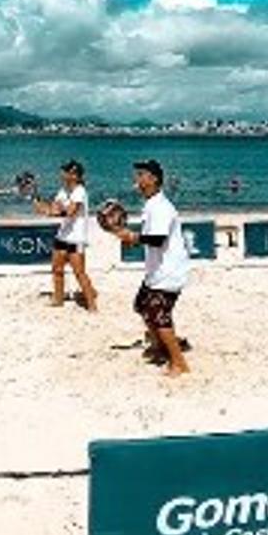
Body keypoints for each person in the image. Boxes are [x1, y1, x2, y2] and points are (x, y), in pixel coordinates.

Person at [103, 159, 191, 377]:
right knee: (142, 306)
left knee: (159, 316)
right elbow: (152, 237)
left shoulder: (161, 207)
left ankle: (179, 363)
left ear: (153, 179)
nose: (137, 180)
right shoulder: (152, 204)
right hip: (157, 271)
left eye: (141, 175)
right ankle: (161, 349)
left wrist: (133, 236)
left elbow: (158, 239)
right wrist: (131, 236)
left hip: (168, 272)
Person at [34, 160, 97, 310]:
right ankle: (58, 300)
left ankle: (92, 305)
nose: (62, 175)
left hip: (76, 238)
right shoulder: (63, 191)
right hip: (62, 236)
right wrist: (40, 204)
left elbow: (70, 212)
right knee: (57, 270)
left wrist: (52, 211)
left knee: (79, 273)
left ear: (74, 175)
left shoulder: (80, 191)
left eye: (65, 172)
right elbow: (54, 208)